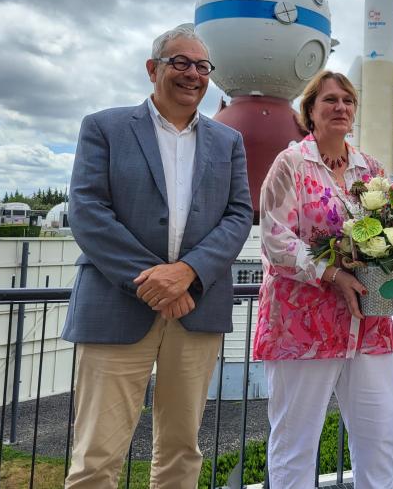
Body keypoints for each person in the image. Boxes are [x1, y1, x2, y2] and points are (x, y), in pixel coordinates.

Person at [62, 24, 254, 488]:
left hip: (196, 309)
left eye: (202, 66)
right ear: (153, 69)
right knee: (97, 454)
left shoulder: (227, 142)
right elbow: (88, 211)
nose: (193, 74)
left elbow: (239, 214)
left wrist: (188, 273)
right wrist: (154, 281)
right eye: (180, 63)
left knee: (181, 451)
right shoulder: (104, 127)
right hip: (116, 305)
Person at [253, 70, 393, 489]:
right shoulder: (291, 164)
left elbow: (388, 233)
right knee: (295, 443)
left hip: (367, 322)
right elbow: (275, 239)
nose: (341, 107)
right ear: (310, 112)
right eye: (330, 100)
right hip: (303, 326)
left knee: (380, 436)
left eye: (348, 101)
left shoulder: (370, 169)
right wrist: (331, 273)